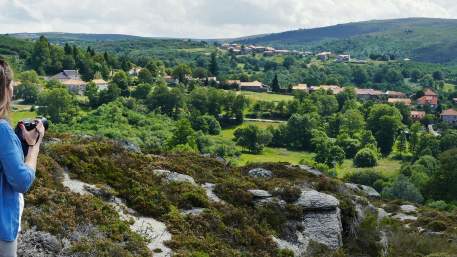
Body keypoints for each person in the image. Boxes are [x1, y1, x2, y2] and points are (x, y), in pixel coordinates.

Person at [0, 60, 45, 257]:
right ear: (6, 90)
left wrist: (17, 142)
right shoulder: (2, 131)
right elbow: (21, 181)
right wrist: (34, 146)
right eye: (12, 86)